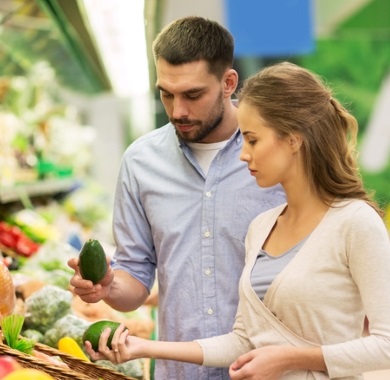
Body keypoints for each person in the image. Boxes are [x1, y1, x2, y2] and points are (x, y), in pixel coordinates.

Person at [84, 62, 390, 380]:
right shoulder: (261, 228)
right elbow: (242, 341)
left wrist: (290, 359)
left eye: (253, 140)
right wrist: (142, 347)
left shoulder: (354, 223)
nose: (243, 155)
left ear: (293, 140)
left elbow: (386, 344)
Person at [68, 17, 285, 379]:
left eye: (192, 94)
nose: (177, 110)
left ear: (229, 83)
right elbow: (135, 280)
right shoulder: (140, 162)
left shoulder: (274, 156)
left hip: (267, 368)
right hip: (181, 370)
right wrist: (108, 286)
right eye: (165, 93)